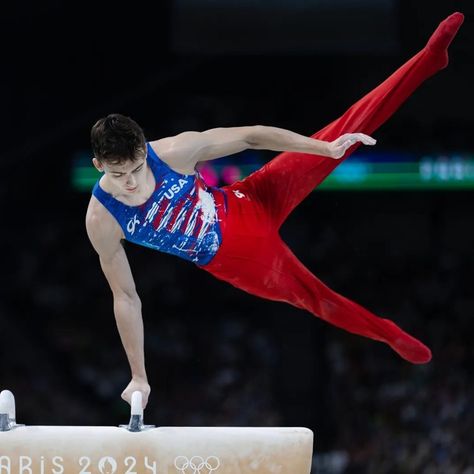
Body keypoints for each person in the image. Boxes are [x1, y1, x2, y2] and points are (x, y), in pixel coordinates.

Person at [85, 12, 464, 408]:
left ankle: (427, 60)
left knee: (338, 131)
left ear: (144, 150)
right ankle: (388, 333)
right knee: (314, 296)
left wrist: (325, 150)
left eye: (135, 167)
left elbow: (250, 136)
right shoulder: (103, 218)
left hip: (247, 198)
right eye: (117, 172)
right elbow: (126, 297)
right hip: (239, 255)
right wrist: (139, 377)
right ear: (99, 165)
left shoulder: (175, 152)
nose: (129, 180)